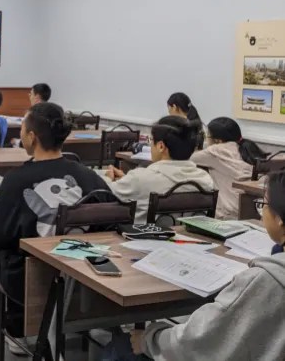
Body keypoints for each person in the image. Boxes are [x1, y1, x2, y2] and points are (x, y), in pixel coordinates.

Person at [0, 102, 109, 355]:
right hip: (83, 276)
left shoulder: (15, 180)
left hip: (30, 279)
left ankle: (16, 328)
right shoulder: (89, 176)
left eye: (22, 128)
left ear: (31, 137)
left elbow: (1, 236)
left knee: (7, 251)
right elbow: (111, 219)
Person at [127, 170, 285, 361]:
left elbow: (199, 341)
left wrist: (148, 339)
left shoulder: (265, 280)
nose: (261, 215)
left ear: (280, 219)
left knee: (119, 349)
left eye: (263, 205)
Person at [104, 116, 215, 223]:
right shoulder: (205, 179)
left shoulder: (140, 179)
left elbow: (104, 194)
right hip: (190, 240)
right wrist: (126, 178)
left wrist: (108, 178)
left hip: (144, 240)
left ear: (161, 146)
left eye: (151, 140)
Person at [190, 117, 265, 219]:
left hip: (230, 215)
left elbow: (188, 158)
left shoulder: (217, 151)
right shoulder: (249, 148)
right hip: (257, 212)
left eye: (208, 136)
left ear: (218, 140)